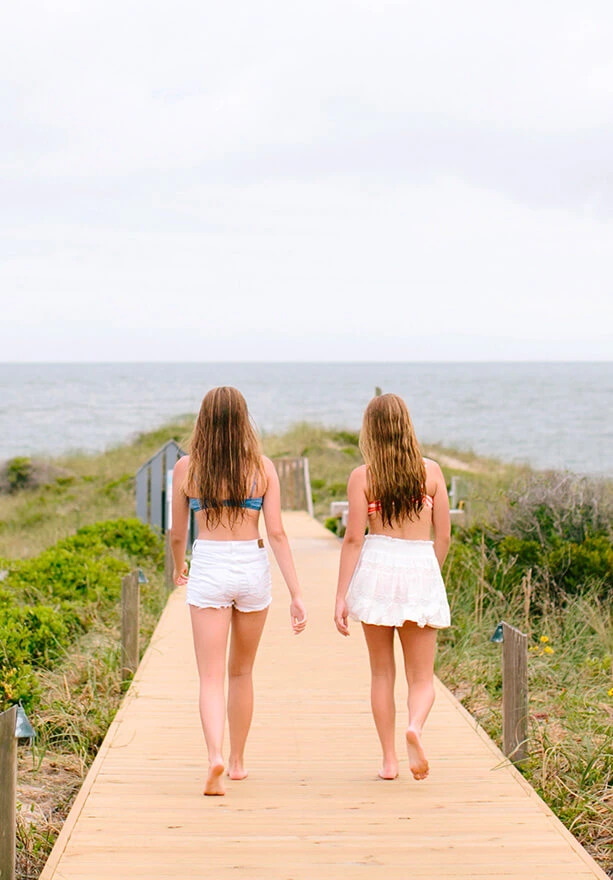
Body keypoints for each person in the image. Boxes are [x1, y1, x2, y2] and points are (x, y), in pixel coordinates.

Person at [170, 386, 307, 796]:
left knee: (210, 677)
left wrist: (180, 567)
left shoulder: (186, 468)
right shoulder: (261, 467)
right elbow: (278, 533)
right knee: (241, 671)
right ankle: (238, 762)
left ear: (203, 421)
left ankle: (213, 753)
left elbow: (178, 532)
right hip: (251, 565)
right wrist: (297, 593)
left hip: (209, 563)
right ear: (243, 419)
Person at [334, 393, 450, 782]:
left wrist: (341, 596)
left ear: (370, 430)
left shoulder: (363, 476)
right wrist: (428, 576)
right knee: (422, 677)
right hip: (419, 564)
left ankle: (388, 761)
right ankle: (415, 726)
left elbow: (352, 539)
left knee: (381, 673)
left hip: (377, 567)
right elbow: (444, 537)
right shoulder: (431, 473)